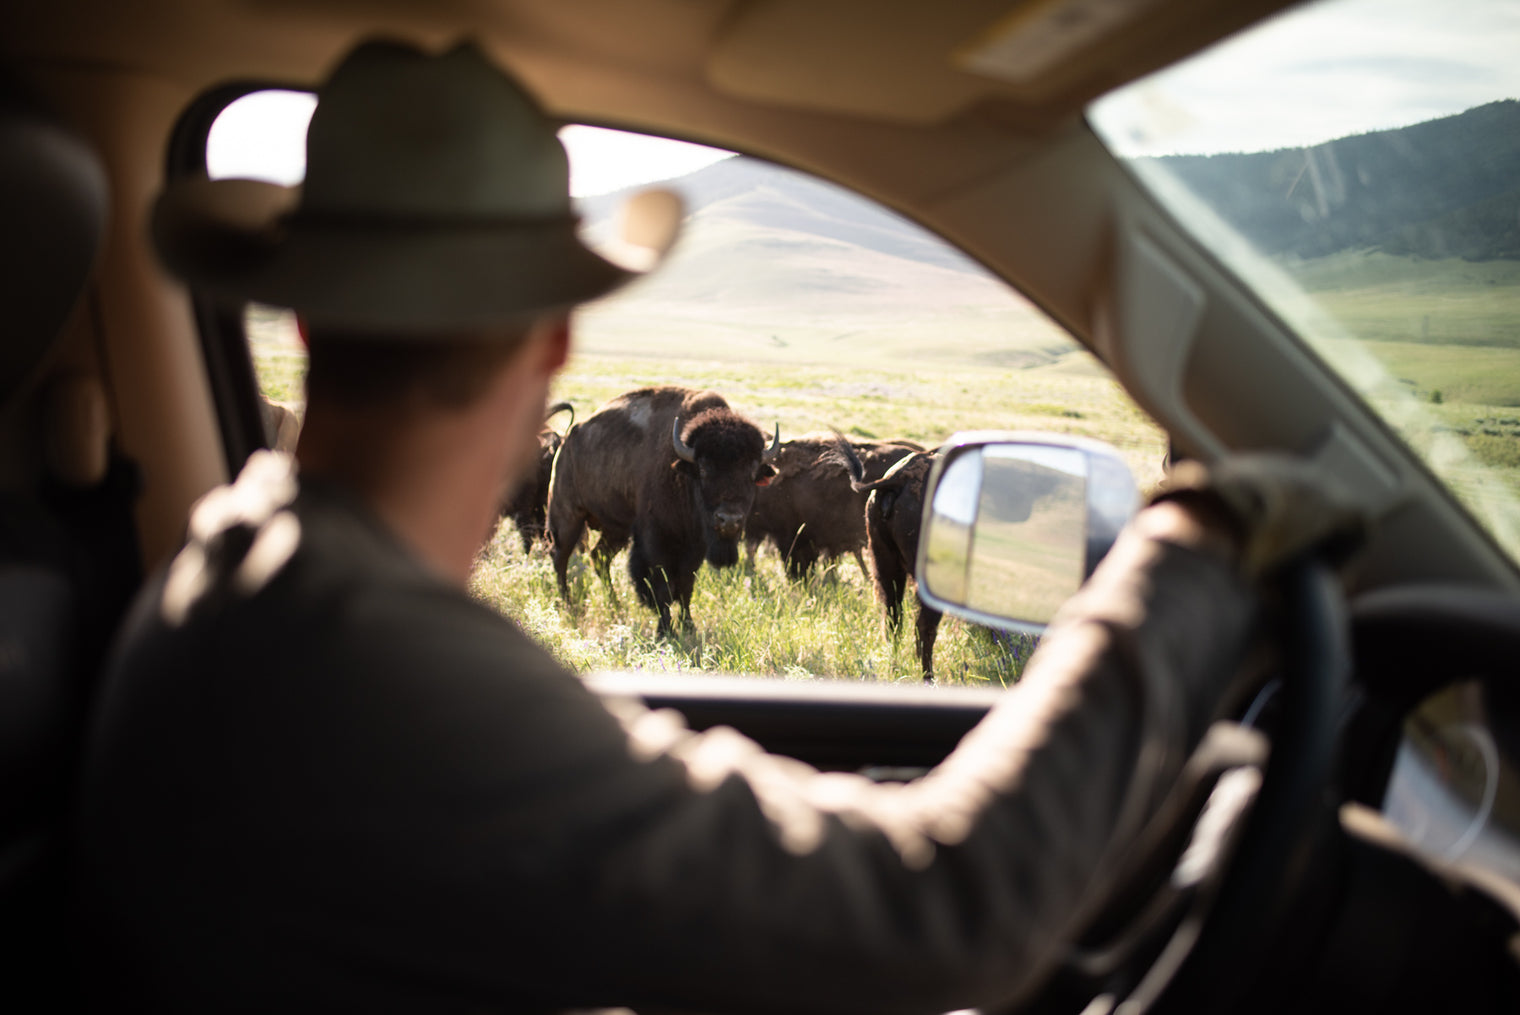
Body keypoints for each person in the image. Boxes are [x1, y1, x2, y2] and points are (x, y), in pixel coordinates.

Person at [72, 38, 1363, 1014]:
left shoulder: (243, 566)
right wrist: (1190, 544)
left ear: (306, 321)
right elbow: (943, 920)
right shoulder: (368, 663)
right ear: (555, 340)